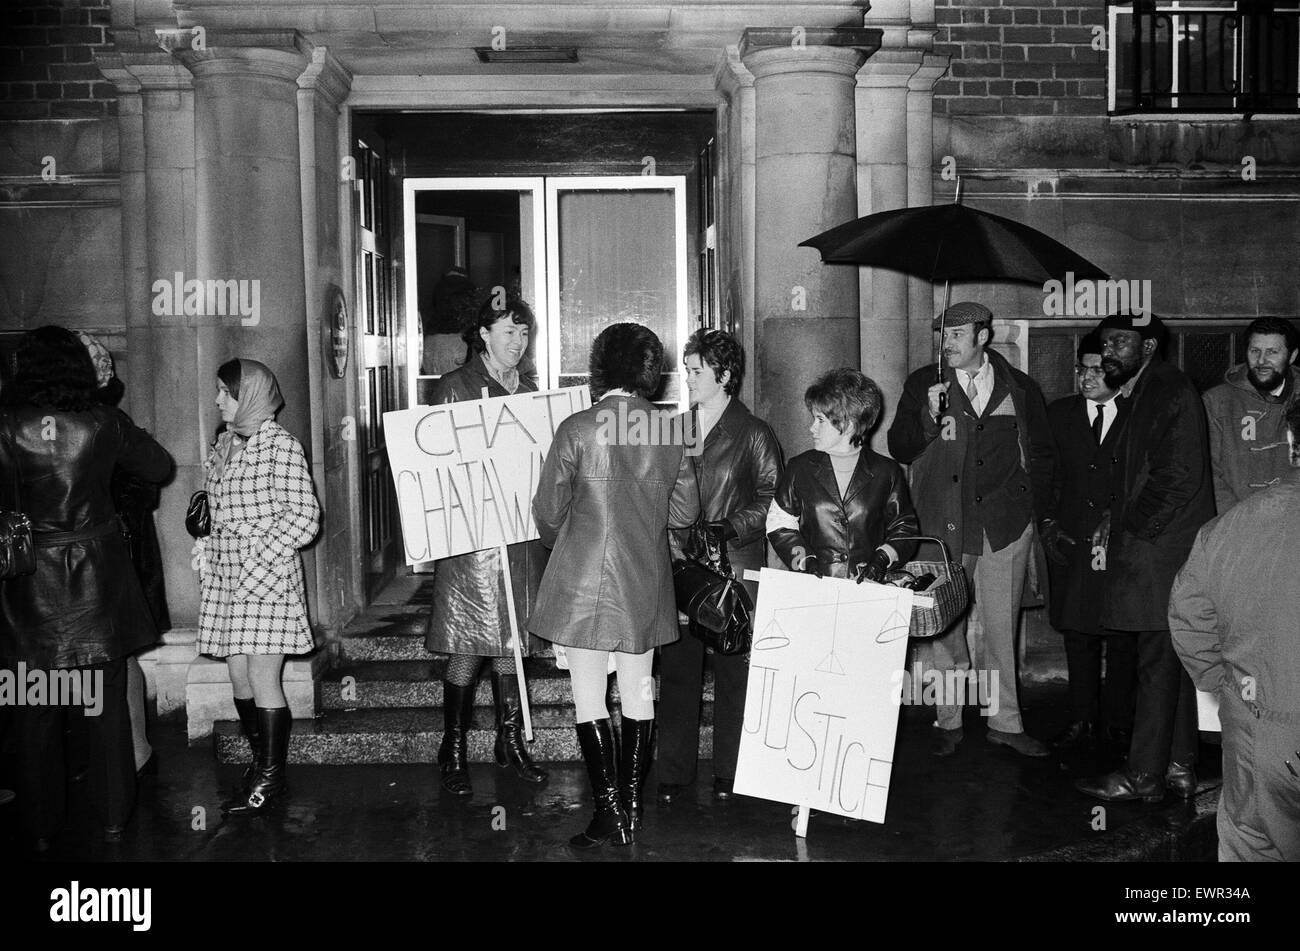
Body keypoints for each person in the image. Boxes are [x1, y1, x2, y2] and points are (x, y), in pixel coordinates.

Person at [0, 326, 171, 849]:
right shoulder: (102, 421)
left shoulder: (6, 425)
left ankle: (40, 830)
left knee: (35, 711)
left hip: (30, 590)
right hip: (98, 586)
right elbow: (160, 466)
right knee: (105, 709)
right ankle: (116, 819)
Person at [529, 323, 698, 849]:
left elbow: (547, 514)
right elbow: (686, 511)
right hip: (644, 580)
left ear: (601, 365)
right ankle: (631, 807)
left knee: (589, 697)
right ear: (650, 371)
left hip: (582, 582)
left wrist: (573, 535)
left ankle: (609, 814)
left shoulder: (577, 427)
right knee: (640, 691)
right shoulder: (671, 430)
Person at [886, 302, 1055, 758]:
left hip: (1004, 526)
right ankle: (949, 719)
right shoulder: (924, 383)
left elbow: (1041, 455)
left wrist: (1031, 514)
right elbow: (898, 445)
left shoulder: (1019, 387)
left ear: (983, 336)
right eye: (943, 335)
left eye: (958, 335)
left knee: (1002, 626)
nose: (948, 344)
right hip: (943, 524)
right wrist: (926, 415)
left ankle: (1006, 722)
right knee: (946, 630)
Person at [1075, 314, 1214, 803]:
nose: (1108, 351)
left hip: (1161, 550)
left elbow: (1178, 477)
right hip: (1160, 546)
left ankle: (1144, 776)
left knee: (1155, 665)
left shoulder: (1166, 391)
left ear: (1148, 345)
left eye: (1120, 342)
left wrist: (1132, 523)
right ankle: (1178, 768)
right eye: (1105, 342)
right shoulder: (1149, 389)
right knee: (1168, 660)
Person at [425, 296, 548, 795]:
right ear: (483, 334)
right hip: (473, 542)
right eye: (507, 332)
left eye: (523, 333)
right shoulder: (455, 388)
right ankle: (452, 748)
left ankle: (510, 741)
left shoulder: (533, 392)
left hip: (519, 538)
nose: (517, 342)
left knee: (511, 641)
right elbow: (438, 465)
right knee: (469, 642)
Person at [1168, 400, 1300, 860]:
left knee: (1251, 843)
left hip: (1258, 731)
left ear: (1288, 442)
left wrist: (1224, 686)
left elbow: (1188, 615)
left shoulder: (1229, 526)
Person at [656, 330, 783, 804]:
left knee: (734, 674)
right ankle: (673, 773)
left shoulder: (754, 433)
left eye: (696, 371)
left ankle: (731, 771)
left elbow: (774, 498)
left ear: (725, 377)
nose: (687, 379)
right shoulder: (673, 428)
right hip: (683, 568)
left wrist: (728, 527)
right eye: (687, 370)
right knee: (679, 669)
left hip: (735, 568)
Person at [197, 358, 321, 815]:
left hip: (265, 578)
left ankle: (271, 778)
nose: (217, 401)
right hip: (227, 576)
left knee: (262, 676)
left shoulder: (281, 447)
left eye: (225, 393)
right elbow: (220, 501)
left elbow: (305, 518)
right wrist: (205, 533)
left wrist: (257, 552)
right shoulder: (226, 443)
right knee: (237, 673)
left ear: (249, 394)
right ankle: (259, 761)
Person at [1040, 332, 1136, 755]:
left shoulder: (1137, 414)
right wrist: (1047, 524)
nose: (1087, 377)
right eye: (1082, 368)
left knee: (1120, 635)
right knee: (1077, 633)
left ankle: (1118, 724)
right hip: (1071, 541)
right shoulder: (1059, 414)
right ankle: (1081, 719)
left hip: (1121, 544)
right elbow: (1043, 473)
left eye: (1098, 369)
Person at [81, 332, 169, 777]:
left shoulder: (110, 422)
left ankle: (135, 750)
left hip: (114, 553)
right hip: (93, 556)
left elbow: (151, 477)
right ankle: (109, 751)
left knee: (117, 656)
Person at [768, 368, 919, 587]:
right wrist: (804, 560)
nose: (812, 428)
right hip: (814, 590)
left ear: (847, 425)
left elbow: (904, 528)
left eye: (820, 420)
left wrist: (883, 558)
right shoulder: (799, 468)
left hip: (867, 591)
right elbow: (779, 522)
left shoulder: (887, 472)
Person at [1202, 317, 1300, 513]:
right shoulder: (1216, 402)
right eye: (1255, 351)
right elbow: (1208, 474)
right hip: (1235, 523)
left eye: (1272, 352)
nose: (1262, 361)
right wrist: (1239, 522)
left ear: (1292, 356)